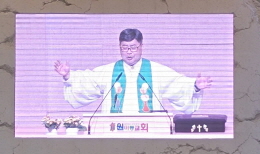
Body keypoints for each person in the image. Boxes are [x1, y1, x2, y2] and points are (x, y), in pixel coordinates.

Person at [54, 28, 212, 114]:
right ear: (120, 47)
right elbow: (87, 81)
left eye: (133, 47)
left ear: (141, 47)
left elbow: (177, 84)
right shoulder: (108, 71)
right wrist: (68, 76)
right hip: (113, 129)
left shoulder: (155, 70)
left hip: (149, 129)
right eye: (125, 48)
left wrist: (195, 86)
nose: (129, 52)